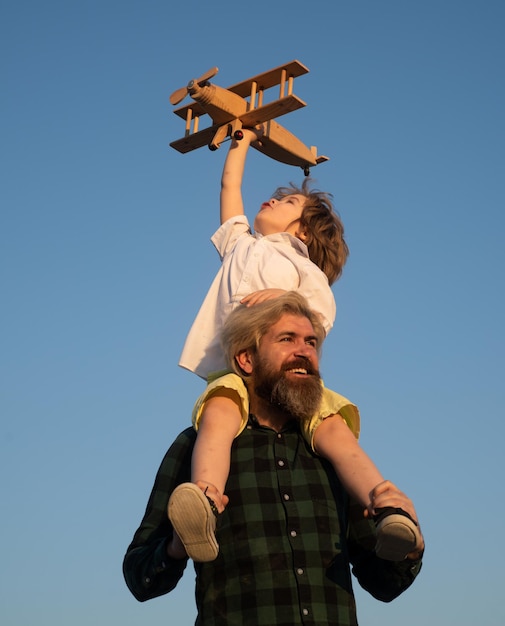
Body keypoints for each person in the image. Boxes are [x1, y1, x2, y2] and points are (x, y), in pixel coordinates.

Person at [173, 128, 421, 562]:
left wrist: (284, 300)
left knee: (334, 433)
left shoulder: (301, 264)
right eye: (273, 196)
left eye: (287, 202)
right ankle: (206, 503)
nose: (270, 200)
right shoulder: (241, 244)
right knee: (217, 416)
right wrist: (241, 141)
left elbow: (320, 316)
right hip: (235, 371)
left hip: (290, 375)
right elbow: (229, 187)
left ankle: (387, 506)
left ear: (304, 230)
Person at [123, 293, 425, 626]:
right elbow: (139, 576)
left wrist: (410, 552)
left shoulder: (332, 453)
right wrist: (177, 547)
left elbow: (383, 583)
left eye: (311, 342)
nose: (304, 351)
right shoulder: (196, 446)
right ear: (246, 360)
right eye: (287, 339)